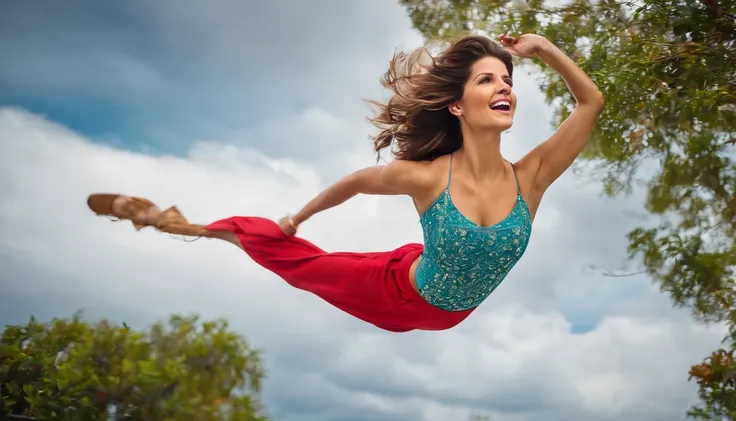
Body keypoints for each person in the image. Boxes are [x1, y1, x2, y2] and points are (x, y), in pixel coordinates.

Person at [87, 33, 604, 333]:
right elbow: (358, 180)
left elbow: (591, 103)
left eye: (508, 80)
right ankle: (174, 222)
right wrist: (296, 218)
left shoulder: (531, 177)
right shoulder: (426, 178)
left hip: (453, 313)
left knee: (318, 262)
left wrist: (545, 49)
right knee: (305, 265)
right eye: (487, 79)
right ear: (456, 104)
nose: (503, 87)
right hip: (399, 292)